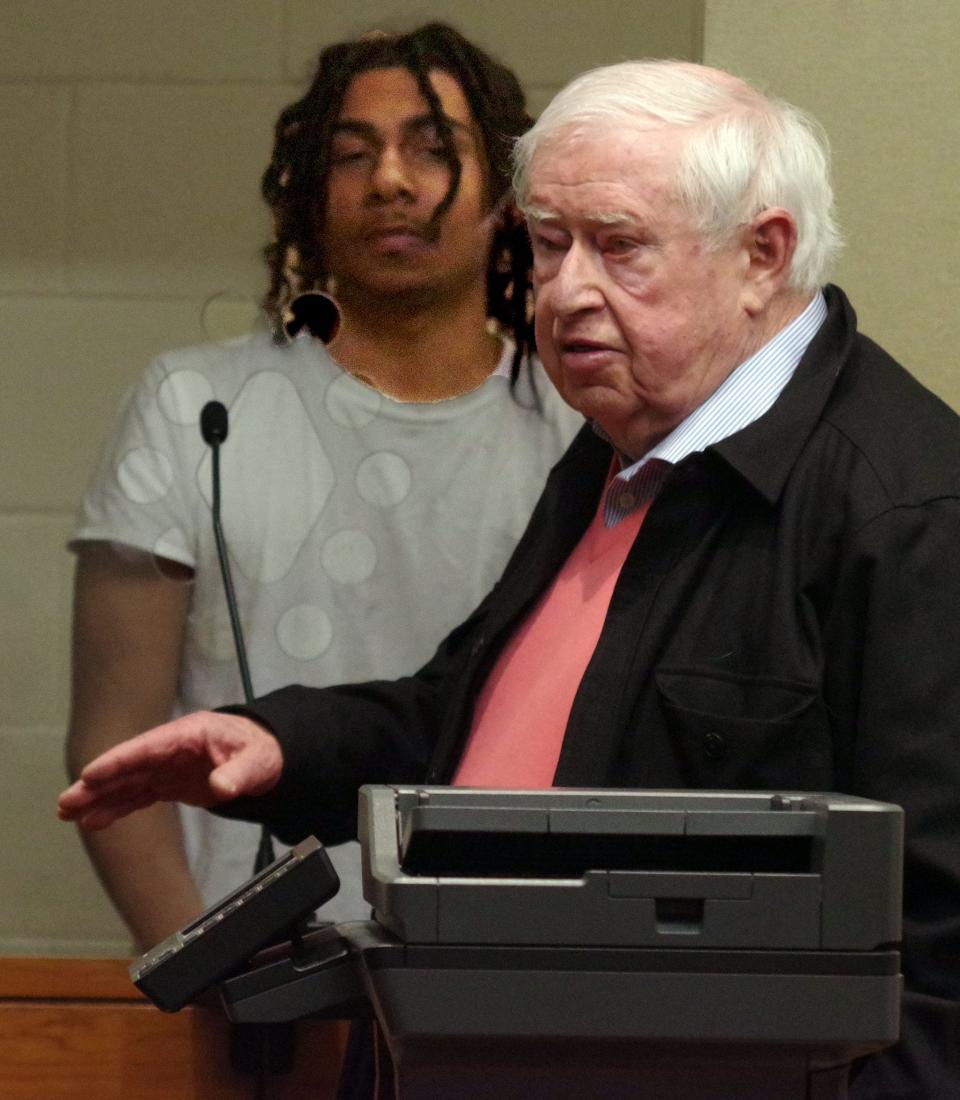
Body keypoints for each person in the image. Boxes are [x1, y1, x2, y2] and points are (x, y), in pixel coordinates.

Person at [60, 59, 960, 1097]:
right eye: (548, 244)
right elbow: (472, 725)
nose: (567, 291)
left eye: (619, 247)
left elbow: (938, 966)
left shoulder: (905, 512)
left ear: (763, 254)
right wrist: (278, 742)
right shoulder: (625, 447)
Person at [64, 23, 582, 951]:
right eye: (353, 154)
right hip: (255, 983)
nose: (391, 179)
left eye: (434, 149)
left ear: (506, 195)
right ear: (309, 194)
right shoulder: (194, 406)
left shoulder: (584, 425)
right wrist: (203, 971)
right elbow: (115, 742)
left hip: (511, 968)